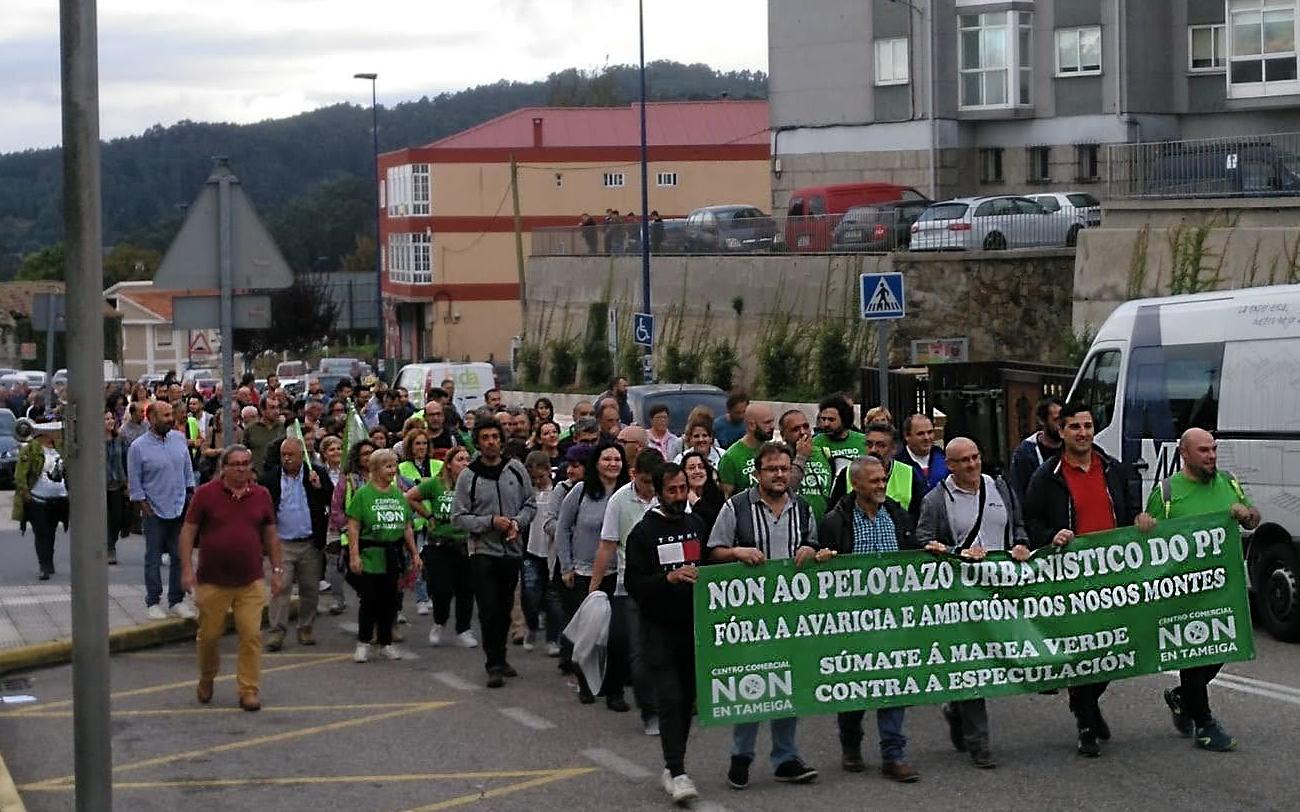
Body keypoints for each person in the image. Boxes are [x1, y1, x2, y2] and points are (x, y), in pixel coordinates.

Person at [1023, 401, 1152, 758]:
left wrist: (1140, 521)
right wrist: (1052, 535)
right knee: (1083, 647)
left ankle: (1087, 703)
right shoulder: (1046, 477)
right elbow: (1030, 523)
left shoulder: (1113, 469)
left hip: (1114, 574)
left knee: (1112, 647)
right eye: (1075, 427)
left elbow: (1130, 512)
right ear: (1061, 432)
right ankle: (1085, 719)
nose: (1083, 433)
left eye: (1088, 426)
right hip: (1071, 579)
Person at [708, 441, 820, 789]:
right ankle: (742, 756)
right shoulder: (735, 507)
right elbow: (713, 551)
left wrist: (811, 549)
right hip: (748, 615)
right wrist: (736, 552)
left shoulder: (802, 508)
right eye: (771, 469)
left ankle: (785, 758)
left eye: (784, 469)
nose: (779, 475)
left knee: (788, 682)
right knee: (753, 682)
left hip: (791, 613)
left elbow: (815, 545)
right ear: (757, 473)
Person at [917, 437, 1030, 769]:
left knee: (1003, 659)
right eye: (963, 460)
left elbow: (1018, 526)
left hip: (1001, 592)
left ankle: (955, 709)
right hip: (962, 596)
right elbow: (923, 539)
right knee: (974, 666)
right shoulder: (937, 499)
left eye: (976, 457)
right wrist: (955, 552)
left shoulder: (1000, 488)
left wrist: (1021, 543)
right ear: (949, 465)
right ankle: (979, 743)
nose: (972, 465)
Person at [1150, 428, 1259, 752]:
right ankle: (1205, 723)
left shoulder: (1229, 483)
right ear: (1184, 454)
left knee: (1222, 648)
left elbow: (1253, 520)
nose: (1211, 456)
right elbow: (1148, 543)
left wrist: (1247, 515)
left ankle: (1182, 697)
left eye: (1213, 449)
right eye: (1203, 451)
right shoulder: (1167, 493)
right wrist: (1144, 524)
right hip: (1184, 592)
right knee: (1195, 653)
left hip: (1224, 588)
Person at [817, 455, 921, 781]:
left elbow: (912, 554)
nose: (881, 486)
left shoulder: (897, 515)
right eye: (874, 481)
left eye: (883, 479)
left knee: (894, 684)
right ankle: (851, 743)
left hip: (893, 618)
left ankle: (894, 753)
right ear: (856, 483)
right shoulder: (836, 521)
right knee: (854, 686)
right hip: (852, 620)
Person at [179, 444, 282, 711]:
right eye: (235, 464)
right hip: (212, 579)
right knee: (210, 636)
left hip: (250, 579)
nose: (241, 469)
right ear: (223, 468)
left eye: (246, 464)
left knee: (251, 635)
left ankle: (248, 689)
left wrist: (277, 570)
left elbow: (270, 535)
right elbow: (188, 533)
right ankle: (207, 677)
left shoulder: (262, 495)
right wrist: (187, 570)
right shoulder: (205, 494)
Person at [625, 462, 704, 804]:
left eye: (682, 489)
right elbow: (634, 584)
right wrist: (667, 579)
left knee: (686, 701)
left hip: (693, 629)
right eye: (671, 490)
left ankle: (674, 766)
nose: (678, 496)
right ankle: (678, 769)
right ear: (658, 492)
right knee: (670, 698)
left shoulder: (697, 525)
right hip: (658, 630)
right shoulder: (643, 534)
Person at [452, 418, 537, 687]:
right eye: (485, 437)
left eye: (495, 436)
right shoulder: (469, 475)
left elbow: (530, 504)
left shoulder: (515, 469)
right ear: (477, 442)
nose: (491, 442)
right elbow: (458, 517)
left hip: (511, 551)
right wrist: (489, 522)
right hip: (482, 551)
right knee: (488, 608)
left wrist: (516, 523)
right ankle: (493, 664)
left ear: (501, 440)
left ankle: (501, 655)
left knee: (504, 607)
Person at [591, 448, 664, 733]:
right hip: (630, 587)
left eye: (654, 482)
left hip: (669, 587)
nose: (650, 488)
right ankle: (650, 712)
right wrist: (594, 588)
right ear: (635, 475)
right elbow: (608, 545)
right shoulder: (620, 501)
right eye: (646, 481)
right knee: (638, 651)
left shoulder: (671, 496)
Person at [556, 443, 630, 707]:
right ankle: (584, 679)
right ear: (596, 463)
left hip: (617, 573)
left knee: (612, 634)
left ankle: (613, 688)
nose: (612, 463)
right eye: (607, 458)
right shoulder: (581, 491)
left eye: (617, 459)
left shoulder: (625, 495)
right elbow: (563, 528)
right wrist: (566, 566)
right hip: (583, 571)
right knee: (588, 632)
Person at [346, 449, 421, 663]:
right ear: (375, 469)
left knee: (390, 602)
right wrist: (354, 556)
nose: (393, 470)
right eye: (388, 466)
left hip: (392, 556)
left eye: (394, 465)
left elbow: (407, 527)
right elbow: (353, 527)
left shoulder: (398, 494)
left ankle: (385, 643)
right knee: (369, 601)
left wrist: (414, 553)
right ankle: (363, 642)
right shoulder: (363, 494)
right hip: (371, 555)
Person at [260, 437, 332, 650]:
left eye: (292, 455)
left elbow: (333, 498)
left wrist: (319, 487)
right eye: (284, 455)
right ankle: (276, 633)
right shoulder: (271, 478)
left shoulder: (316, 474)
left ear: (303, 456)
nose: (287, 459)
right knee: (280, 589)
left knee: (310, 590)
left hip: (310, 543)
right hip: (282, 543)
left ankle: (306, 628)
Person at [129, 401, 197, 619]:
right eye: (165, 415)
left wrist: (190, 494)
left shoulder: (178, 439)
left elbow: (187, 469)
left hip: (179, 506)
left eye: (171, 415)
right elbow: (134, 480)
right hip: (154, 510)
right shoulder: (138, 447)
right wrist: (142, 502)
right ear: (151, 418)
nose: (170, 418)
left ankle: (176, 600)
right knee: (154, 557)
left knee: (179, 556)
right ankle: (153, 601)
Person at [829, 423, 926, 519]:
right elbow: (834, 514)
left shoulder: (909, 474)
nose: (873, 450)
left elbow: (920, 517)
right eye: (869, 444)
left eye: (881, 445)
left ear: (893, 449)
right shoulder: (849, 473)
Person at [328, 439, 377, 617]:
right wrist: (349, 527)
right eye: (365, 453)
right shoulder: (348, 481)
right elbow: (336, 510)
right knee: (359, 580)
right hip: (354, 538)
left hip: (379, 537)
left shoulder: (387, 478)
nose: (369, 456)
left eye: (372, 452)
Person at [14, 422, 68, 580]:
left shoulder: (60, 448)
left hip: (58, 498)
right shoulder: (31, 449)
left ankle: (49, 560)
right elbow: (20, 474)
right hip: (38, 498)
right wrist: (25, 492)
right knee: (41, 532)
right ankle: (43, 565)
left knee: (51, 532)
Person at [521, 451, 559, 652]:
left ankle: (553, 639)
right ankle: (532, 625)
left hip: (552, 551)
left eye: (541, 477)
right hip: (531, 550)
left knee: (553, 597)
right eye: (533, 479)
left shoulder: (558, 491)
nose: (538, 482)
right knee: (530, 592)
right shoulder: (528, 494)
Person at [780, 408, 833, 521]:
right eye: (795, 429)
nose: (803, 432)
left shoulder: (824, 453)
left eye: (806, 426)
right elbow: (784, 490)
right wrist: (801, 457)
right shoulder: (779, 459)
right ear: (783, 435)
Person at [1009, 396, 1064, 504]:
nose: (1061, 424)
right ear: (1042, 421)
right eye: (1056, 420)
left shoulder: (1072, 447)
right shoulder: (1025, 454)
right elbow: (1019, 494)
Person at [717, 403, 775, 498]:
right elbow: (726, 498)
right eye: (767, 422)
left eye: (773, 421)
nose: (772, 426)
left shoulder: (773, 451)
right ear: (752, 425)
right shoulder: (731, 458)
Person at [814, 395, 867, 476]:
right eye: (823, 419)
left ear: (844, 419)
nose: (826, 424)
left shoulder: (863, 441)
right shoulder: (815, 443)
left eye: (831, 420)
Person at [897, 414, 948, 495]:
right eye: (920, 434)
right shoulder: (897, 463)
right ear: (907, 436)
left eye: (930, 432)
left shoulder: (943, 457)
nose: (927, 438)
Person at [105, 410, 129, 566]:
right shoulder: (93, 441)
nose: (110, 421)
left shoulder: (119, 439)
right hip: (100, 485)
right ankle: (107, 547)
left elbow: (125, 460)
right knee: (103, 518)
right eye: (106, 419)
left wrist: (128, 482)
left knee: (117, 517)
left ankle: (111, 543)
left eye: (111, 418)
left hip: (117, 484)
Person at [680, 450, 723, 535]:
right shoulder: (678, 496)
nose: (697, 471)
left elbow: (716, 523)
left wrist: (696, 502)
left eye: (701, 467)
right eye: (692, 468)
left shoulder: (717, 495)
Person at [243, 397, 286, 478]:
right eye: (272, 408)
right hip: (257, 476)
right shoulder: (250, 429)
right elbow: (243, 452)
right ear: (262, 410)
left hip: (278, 477)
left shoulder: (283, 428)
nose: (276, 411)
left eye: (278, 407)